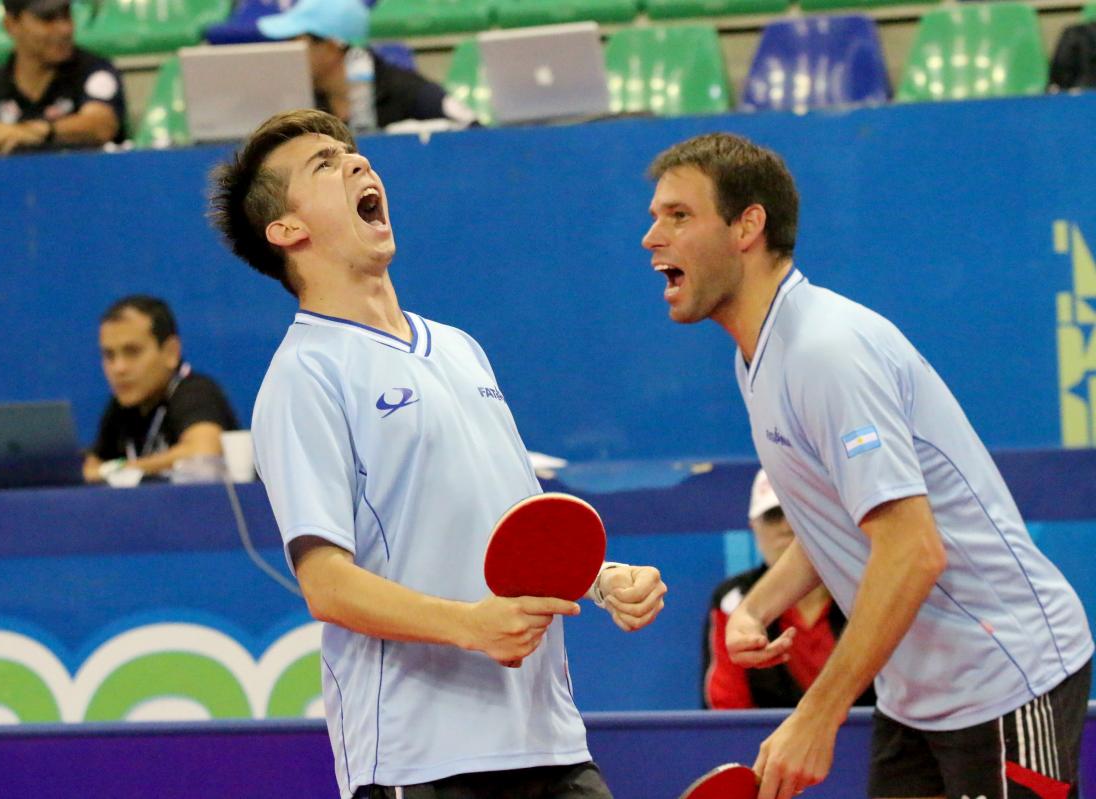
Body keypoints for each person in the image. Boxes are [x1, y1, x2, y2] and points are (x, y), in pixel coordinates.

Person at [208, 108, 666, 799]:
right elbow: (326, 584)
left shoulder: (458, 347)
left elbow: (514, 519)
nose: (358, 164)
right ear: (287, 230)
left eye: (353, 153)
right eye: (325, 165)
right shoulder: (304, 375)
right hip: (421, 761)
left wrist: (600, 578)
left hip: (551, 742)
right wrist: (470, 627)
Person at [642, 133, 1093, 799]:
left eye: (679, 215)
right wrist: (759, 605)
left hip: (1001, 677)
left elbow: (912, 551)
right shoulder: (759, 358)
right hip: (915, 693)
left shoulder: (825, 351)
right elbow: (839, 523)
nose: (653, 237)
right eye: (655, 217)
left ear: (748, 226)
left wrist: (817, 714)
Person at [703, 469, 875, 710]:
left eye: (797, 512)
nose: (787, 527)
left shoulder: (868, 587)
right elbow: (727, 707)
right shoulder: (733, 600)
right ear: (754, 528)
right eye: (773, 515)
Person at [256, 0, 477, 132]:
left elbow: (476, 131)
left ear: (331, 46)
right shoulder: (300, 108)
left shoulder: (410, 93)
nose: (288, 50)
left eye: (295, 40)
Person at [85, 295, 239, 484]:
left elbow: (203, 452)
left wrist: (114, 470)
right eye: (109, 355)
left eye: (132, 352)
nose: (119, 368)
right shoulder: (121, 405)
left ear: (171, 352)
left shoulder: (195, 391)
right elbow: (90, 467)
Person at [0, 0, 126, 157]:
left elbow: (101, 125)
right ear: (11, 25)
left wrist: (36, 131)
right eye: (48, 18)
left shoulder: (94, 70)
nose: (65, 29)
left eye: (66, 15)